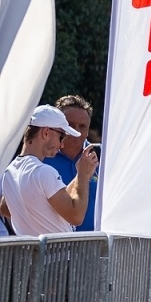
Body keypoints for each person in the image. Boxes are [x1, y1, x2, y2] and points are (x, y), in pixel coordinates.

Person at [0, 106, 97, 235]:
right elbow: (76, 217)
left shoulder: (9, 172)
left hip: (32, 253)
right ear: (46, 132)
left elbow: (5, 208)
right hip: (57, 254)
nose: (61, 144)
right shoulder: (44, 172)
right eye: (61, 136)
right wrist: (84, 176)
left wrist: (80, 174)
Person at [43, 95, 98, 231]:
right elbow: (6, 207)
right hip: (54, 247)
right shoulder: (41, 158)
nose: (77, 131)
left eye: (82, 126)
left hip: (97, 245)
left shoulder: (102, 156)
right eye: (70, 125)